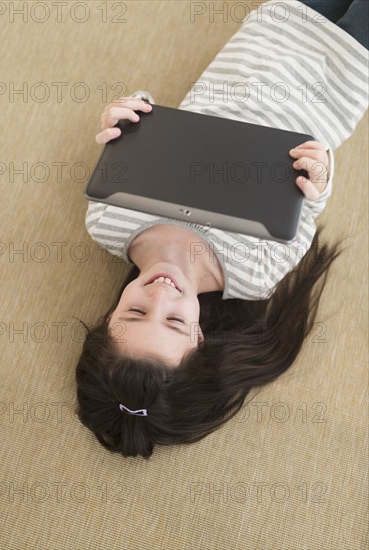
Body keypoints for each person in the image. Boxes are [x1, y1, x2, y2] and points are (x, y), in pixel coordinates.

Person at [75, 0, 368, 458]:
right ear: (198, 336)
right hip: (340, 76)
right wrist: (322, 176)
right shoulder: (254, 277)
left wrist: (127, 115)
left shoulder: (109, 220)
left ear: (109, 318)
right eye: (173, 321)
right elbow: (310, 203)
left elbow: (149, 123)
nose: (160, 295)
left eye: (134, 314)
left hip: (267, 37)